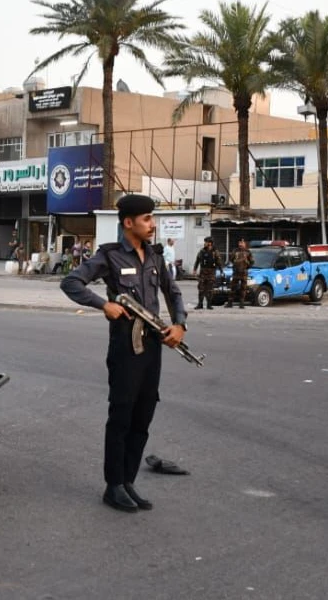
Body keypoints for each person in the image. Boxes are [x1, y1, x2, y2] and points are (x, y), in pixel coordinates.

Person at [60, 194, 187, 513]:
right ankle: (113, 485)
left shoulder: (156, 256)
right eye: (147, 219)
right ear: (128, 223)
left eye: (152, 219)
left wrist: (180, 325)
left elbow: (172, 292)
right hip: (125, 347)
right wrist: (104, 304)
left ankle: (129, 481)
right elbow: (72, 282)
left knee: (143, 415)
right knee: (121, 416)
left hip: (153, 345)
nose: (153, 225)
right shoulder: (110, 256)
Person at [226, 238, 254, 309]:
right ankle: (230, 303)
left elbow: (252, 262)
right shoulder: (235, 251)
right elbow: (231, 259)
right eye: (239, 242)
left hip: (244, 273)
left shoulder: (248, 252)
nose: (241, 244)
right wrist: (235, 263)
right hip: (236, 273)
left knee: (243, 288)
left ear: (244, 243)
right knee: (233, 288)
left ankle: (241, 303)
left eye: (242, 242)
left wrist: (247, 266)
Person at [193, 237, 220, 310]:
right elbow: (197, 260)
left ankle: (209, 304)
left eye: (206, 242)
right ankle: (200, 304)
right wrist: (195, 269)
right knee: (201, 289)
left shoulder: (215, 252)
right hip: (203, 273)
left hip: (211, 273)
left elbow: (219, 262)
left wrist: (221, 270)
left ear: (210, 243)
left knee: (209, 289)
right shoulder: (201, 251)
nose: (204, 243)